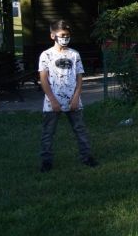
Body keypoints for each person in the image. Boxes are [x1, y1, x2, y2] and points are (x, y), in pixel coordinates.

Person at [38, 20, 97, 173]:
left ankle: (87, 157)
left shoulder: (74, 54)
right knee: (48, 133)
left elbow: (79, 76)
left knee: (80, 130)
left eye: (68, 35)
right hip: (52, 102)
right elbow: (43, 78)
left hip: (73, 101)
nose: (65, 38)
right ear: (53, 36)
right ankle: (46, 162)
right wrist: (52, 100)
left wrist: (76, 96)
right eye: (62, 35)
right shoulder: (46, 55)